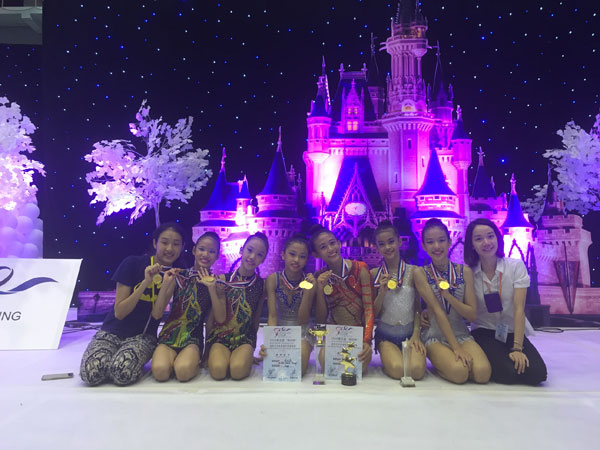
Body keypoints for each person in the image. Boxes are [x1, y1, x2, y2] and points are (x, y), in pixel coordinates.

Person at [80, 222, 185, 386]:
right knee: (91, 373)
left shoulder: (173, 275)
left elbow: (157, 314)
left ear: (182, 247)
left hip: (142, 337)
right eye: (164, 242)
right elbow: (120, 312)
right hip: (112, 332)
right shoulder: (132, 263)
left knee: (123, 373)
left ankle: (117, 362)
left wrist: (166, 284)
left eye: (176, 244)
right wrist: (145, 282)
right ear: (155, 243)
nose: (170, 248)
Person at [465, 218, 547, 385]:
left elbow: (519, 309)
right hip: (484, 331)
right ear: (472, 244)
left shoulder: (515, 267)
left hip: (511, 331)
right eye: (479, 239)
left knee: (537, 374)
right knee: (508, 375)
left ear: (498, 238)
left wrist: (517, 348)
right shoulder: (469, 273)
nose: (486, 242)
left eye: (490, 236)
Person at [414, 219, 491, 384]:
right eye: (430, 242)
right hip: (434, 334)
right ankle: (443, 361)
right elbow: (438, 311)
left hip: (461, 333)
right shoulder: (421, 273)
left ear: (450, 241)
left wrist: (449, 297)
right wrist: (456, 349)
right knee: (459, 373)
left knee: (483, 374)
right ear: (424, 246)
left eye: (441, 240)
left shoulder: (465, 271)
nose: (437, 246)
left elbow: (471, 315)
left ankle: (451, 361)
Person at [151, 232, 225, 382]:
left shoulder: (217, 282)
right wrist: (165, 285)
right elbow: (157, 313)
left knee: (183, 372)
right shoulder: (178, 276)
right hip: (169, 335)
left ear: (217, 256)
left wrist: (206, 353)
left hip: (192, 338)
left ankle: (187, 360)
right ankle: (172, 358)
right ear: (194, 251)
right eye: (202, 249)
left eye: (211, 251)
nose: (205, 254)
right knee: (160, 372)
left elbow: (215, 321)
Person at [311, 225, 374, 371]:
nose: (330, 248)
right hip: (334, 334)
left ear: (339, 243)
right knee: (327, 364)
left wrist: (367, 341)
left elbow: (369, 309)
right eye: (323, 247)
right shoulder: (319, 277)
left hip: (357, 333)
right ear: (316, 254)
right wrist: (320, 289)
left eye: (332, 243)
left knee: (357, 368)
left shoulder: (360, 269)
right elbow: (320, 319)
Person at [206, 232, 268, 381]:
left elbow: (256, 317)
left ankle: (241, 356)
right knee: (218, 371)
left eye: (259, 255)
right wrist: (206, 351)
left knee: (238, 371)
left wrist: (250, 348)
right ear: (242, 250)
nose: (252, 257)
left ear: (263, 259)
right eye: (250, 250)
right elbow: (212, 318)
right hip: (221, 337)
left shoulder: (261, 285)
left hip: (244, 338)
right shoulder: (222, 280)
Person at [371, 220, 426, 380]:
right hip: (385, 335)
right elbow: (374, 313)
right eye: (382, 244)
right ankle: (388, 356)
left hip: (410, 334)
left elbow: (417, 308)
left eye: (391, 241)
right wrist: (381, 292)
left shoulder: (414, 271)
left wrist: (416, 334)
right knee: (397, 370)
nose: (387, 247)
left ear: (399, 241)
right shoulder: (374, 273)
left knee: (416, 371)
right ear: (377, 248)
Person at [259, 234, 316, 375]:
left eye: (302, 256)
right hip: (279, 330)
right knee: (276, 368)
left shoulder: (310, 282)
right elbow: (272, 316)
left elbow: (303, 319)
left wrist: (308, 291)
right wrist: (270, 341)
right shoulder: (273, 279)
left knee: (297, 369)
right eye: (292, 254)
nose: (296, 260)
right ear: (283, 255)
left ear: (306, 259)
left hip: (302, 330)